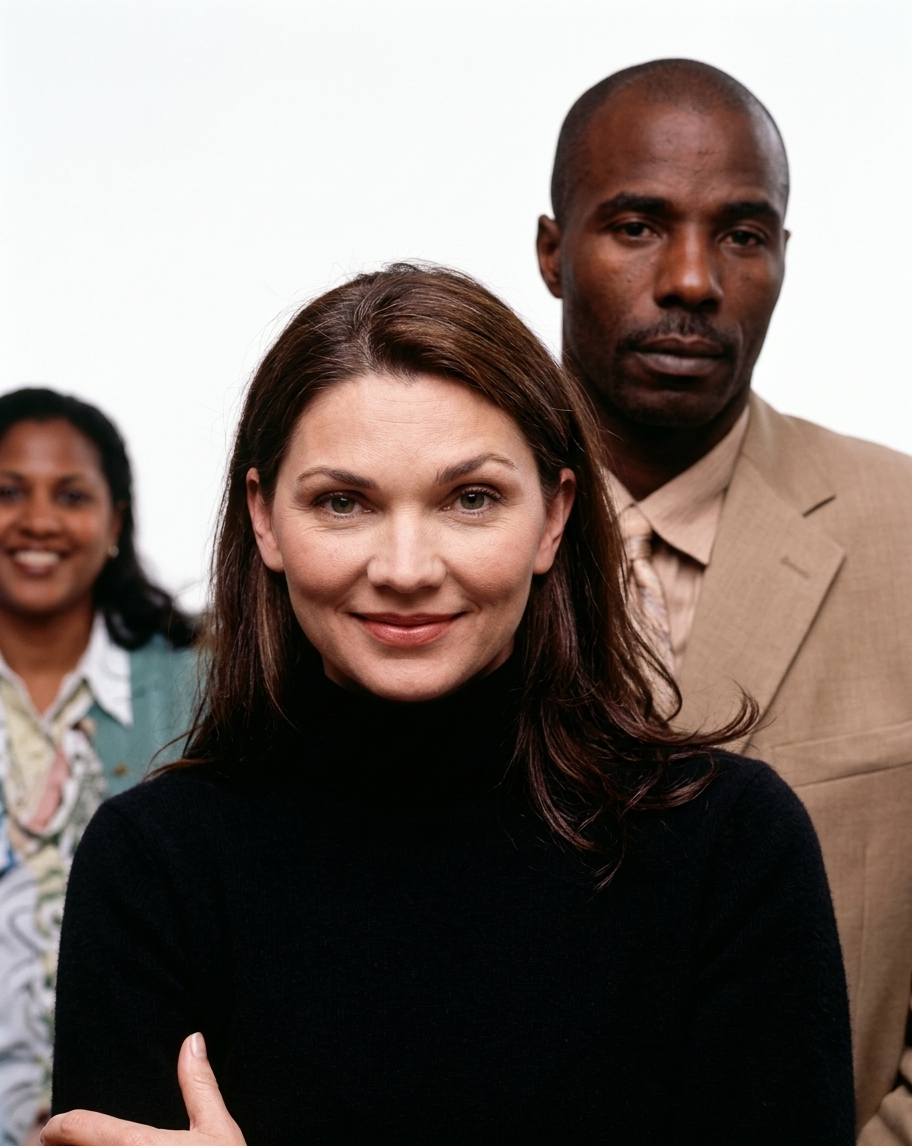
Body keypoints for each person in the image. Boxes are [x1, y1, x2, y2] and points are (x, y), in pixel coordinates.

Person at [44, 265, 853, 1146]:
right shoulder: (152, 865)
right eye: (342, 502)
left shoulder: (730, 846)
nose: (405, 568)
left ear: (553, 516)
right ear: (265, 520)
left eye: (471, 499)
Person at [535, 59, 912, 1143]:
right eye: (639, 225)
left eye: (743, 234)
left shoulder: (899, 529)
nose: (693, 279)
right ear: (553, 252)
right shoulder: (419, 548)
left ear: (785, 257)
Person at [0, 388, 199, 1145]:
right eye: (7, 491)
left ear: (115, 523)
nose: (38, 520)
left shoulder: (203, 692)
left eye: (71, 495)